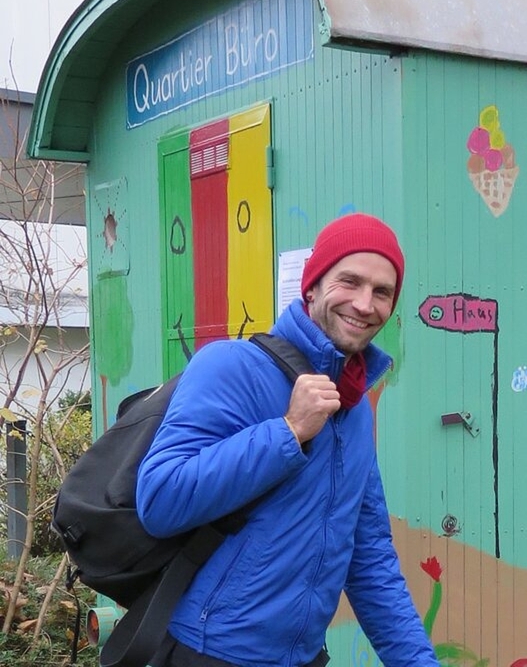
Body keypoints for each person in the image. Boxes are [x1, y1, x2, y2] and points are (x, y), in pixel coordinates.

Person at [136, 213, 440, 667]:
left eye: (382, 292)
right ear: (312, 286)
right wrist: (288, 432)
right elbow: (159, 499)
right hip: (209, 652)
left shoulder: (353, 406)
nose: (364, 303)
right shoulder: (229, 366)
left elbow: (369, 556)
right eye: (350, 281)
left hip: (303, 657)